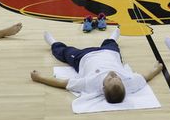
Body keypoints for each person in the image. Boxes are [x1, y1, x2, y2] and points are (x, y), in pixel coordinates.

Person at [30, 29, 163, 103]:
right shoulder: (130, 83)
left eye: (111, 79)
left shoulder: (90, 85)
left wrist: (40, 78)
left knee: (63, 52)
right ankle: (113, 37)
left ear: (103, 87)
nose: (113, 75)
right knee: (110, 43)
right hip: (110, 53)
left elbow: (63, 83)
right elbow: (145, 77)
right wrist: (156, 69)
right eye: (118, 78)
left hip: (83, 57)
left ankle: (53, 42)